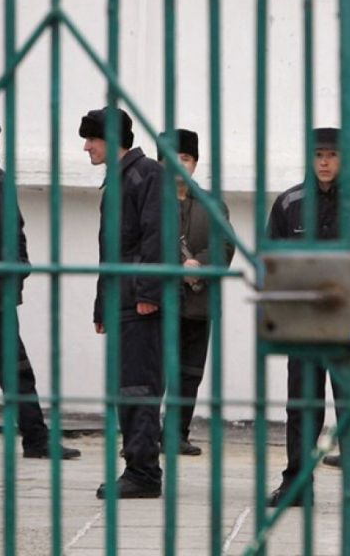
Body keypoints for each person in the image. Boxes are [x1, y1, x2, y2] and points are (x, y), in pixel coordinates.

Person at [0, 113, 81, 461]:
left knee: (19, 372)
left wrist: (20, 268)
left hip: (0, 298)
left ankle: (36, 439)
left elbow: (16, 231)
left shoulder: (0, 181)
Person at [81, 106, 165, 499]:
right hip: (124, 299)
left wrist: (148, 293)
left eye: (91, 139)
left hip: (139, 301)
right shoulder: (120, 179)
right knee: (126, 387)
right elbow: (111, 252)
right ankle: (138, 466)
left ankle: (143, 473)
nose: (86, 147)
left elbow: (156, 237)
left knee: (138, 387)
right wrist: (103, 306)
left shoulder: (146, 175)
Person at [266, 126, 343, 506]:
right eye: (318, 155)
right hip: (304, 325)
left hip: (349, 326)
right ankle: (296, 484)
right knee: (301, 407)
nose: (324, 162)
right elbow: (272, 263)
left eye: (332, 155)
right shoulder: (289, 203)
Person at [156, 128, 235, 456]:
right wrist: (178, 266)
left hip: (199, 300)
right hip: (158, 300)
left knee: (189, 372)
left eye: (186, 158)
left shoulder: (213, 204)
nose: (179, 164)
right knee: (153, 372)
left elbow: (225, 245)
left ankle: (177, 434)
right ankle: (144, 437)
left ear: (195, 163)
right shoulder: (148, 201)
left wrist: (199, 265)